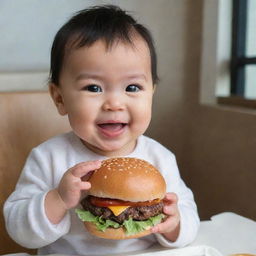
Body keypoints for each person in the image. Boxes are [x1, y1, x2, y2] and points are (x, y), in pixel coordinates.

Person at [4, 5, 200, 256]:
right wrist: (58, 199)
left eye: (132, 87)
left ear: (152, 93)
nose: (114, 104)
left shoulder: (160, 158)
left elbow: (190, 220)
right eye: (94, 88)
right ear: (60, 99)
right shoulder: (48, 157)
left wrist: (175, 224)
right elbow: (19, 230)